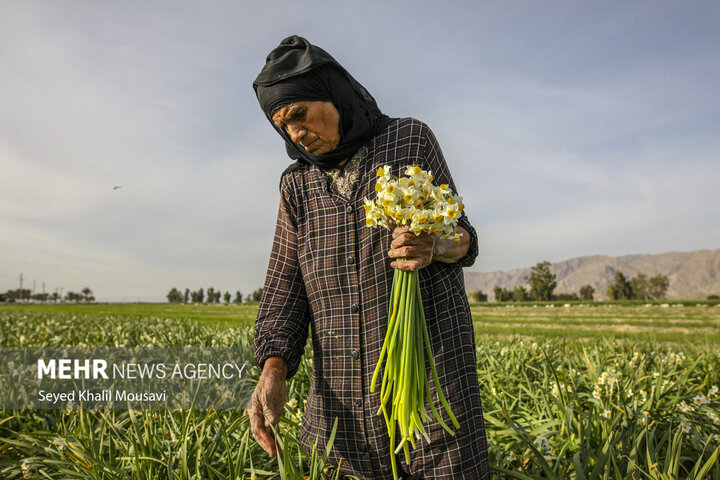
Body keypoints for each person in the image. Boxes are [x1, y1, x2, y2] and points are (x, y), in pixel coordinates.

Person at [248, 35, 490, 480]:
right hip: (343, 406)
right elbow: (285, 287)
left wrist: (435, 245)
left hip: (430, 386)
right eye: (283, 125)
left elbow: (465, 239)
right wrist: (274, 369)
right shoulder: (297, 187)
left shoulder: (408, 141)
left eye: (300, 114)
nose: (295, 133)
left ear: (335, 93)